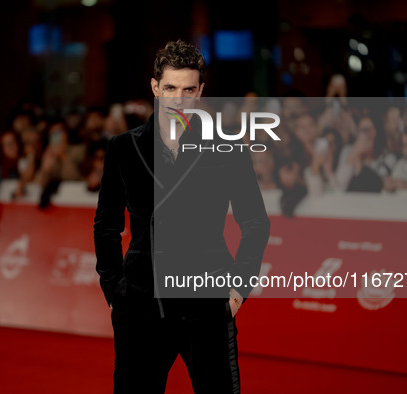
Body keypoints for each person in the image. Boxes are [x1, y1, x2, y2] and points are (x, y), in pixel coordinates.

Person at [94, 40, 270, 394]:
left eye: (188, 89)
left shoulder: (228, 148)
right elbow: (106, 225)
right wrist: (115, 289)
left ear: (201, 91)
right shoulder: (124, 148)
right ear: (155, 87)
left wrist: (238, 288)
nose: (178, 99)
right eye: (170, 88)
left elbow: (255, 222)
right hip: (141, 305)